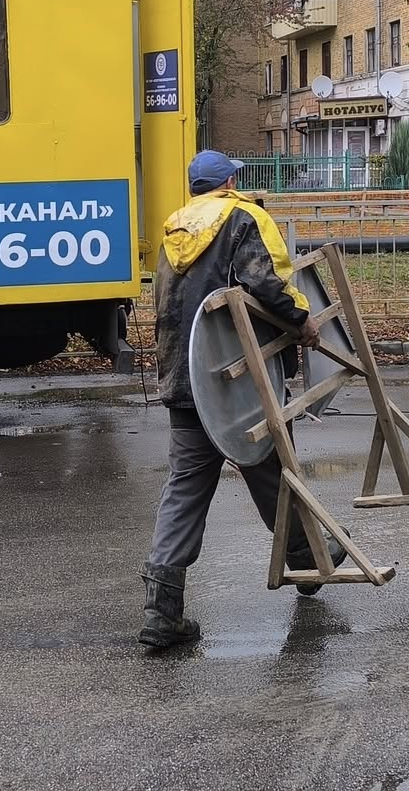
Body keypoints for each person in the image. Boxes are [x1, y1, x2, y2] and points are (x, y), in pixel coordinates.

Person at [142, 150, 331, 651]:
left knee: (185, 489)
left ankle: (162, 611)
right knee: (275, 472)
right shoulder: (242, 217)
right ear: (228, 181)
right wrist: (301, 322)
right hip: (240, 380)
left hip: (185, 380)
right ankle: (307, 560)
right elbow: (264, 283)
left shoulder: (174, 229)